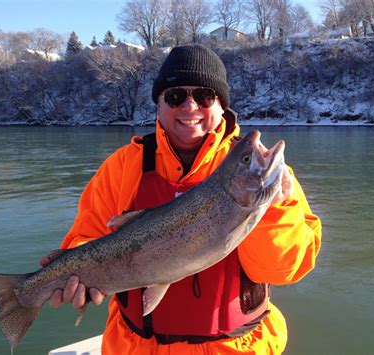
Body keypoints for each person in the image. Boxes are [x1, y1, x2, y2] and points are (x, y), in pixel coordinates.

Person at [40, 44, 322, 354]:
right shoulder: (121, 167)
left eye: (204, 97)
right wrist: (74, 276)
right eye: (176, 96)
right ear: (158, 104)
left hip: (235, 348)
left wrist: (274, 210)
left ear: (222, 105)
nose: (190, 107)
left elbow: (283, 271)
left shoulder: (272, 179)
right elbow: (86, 238)